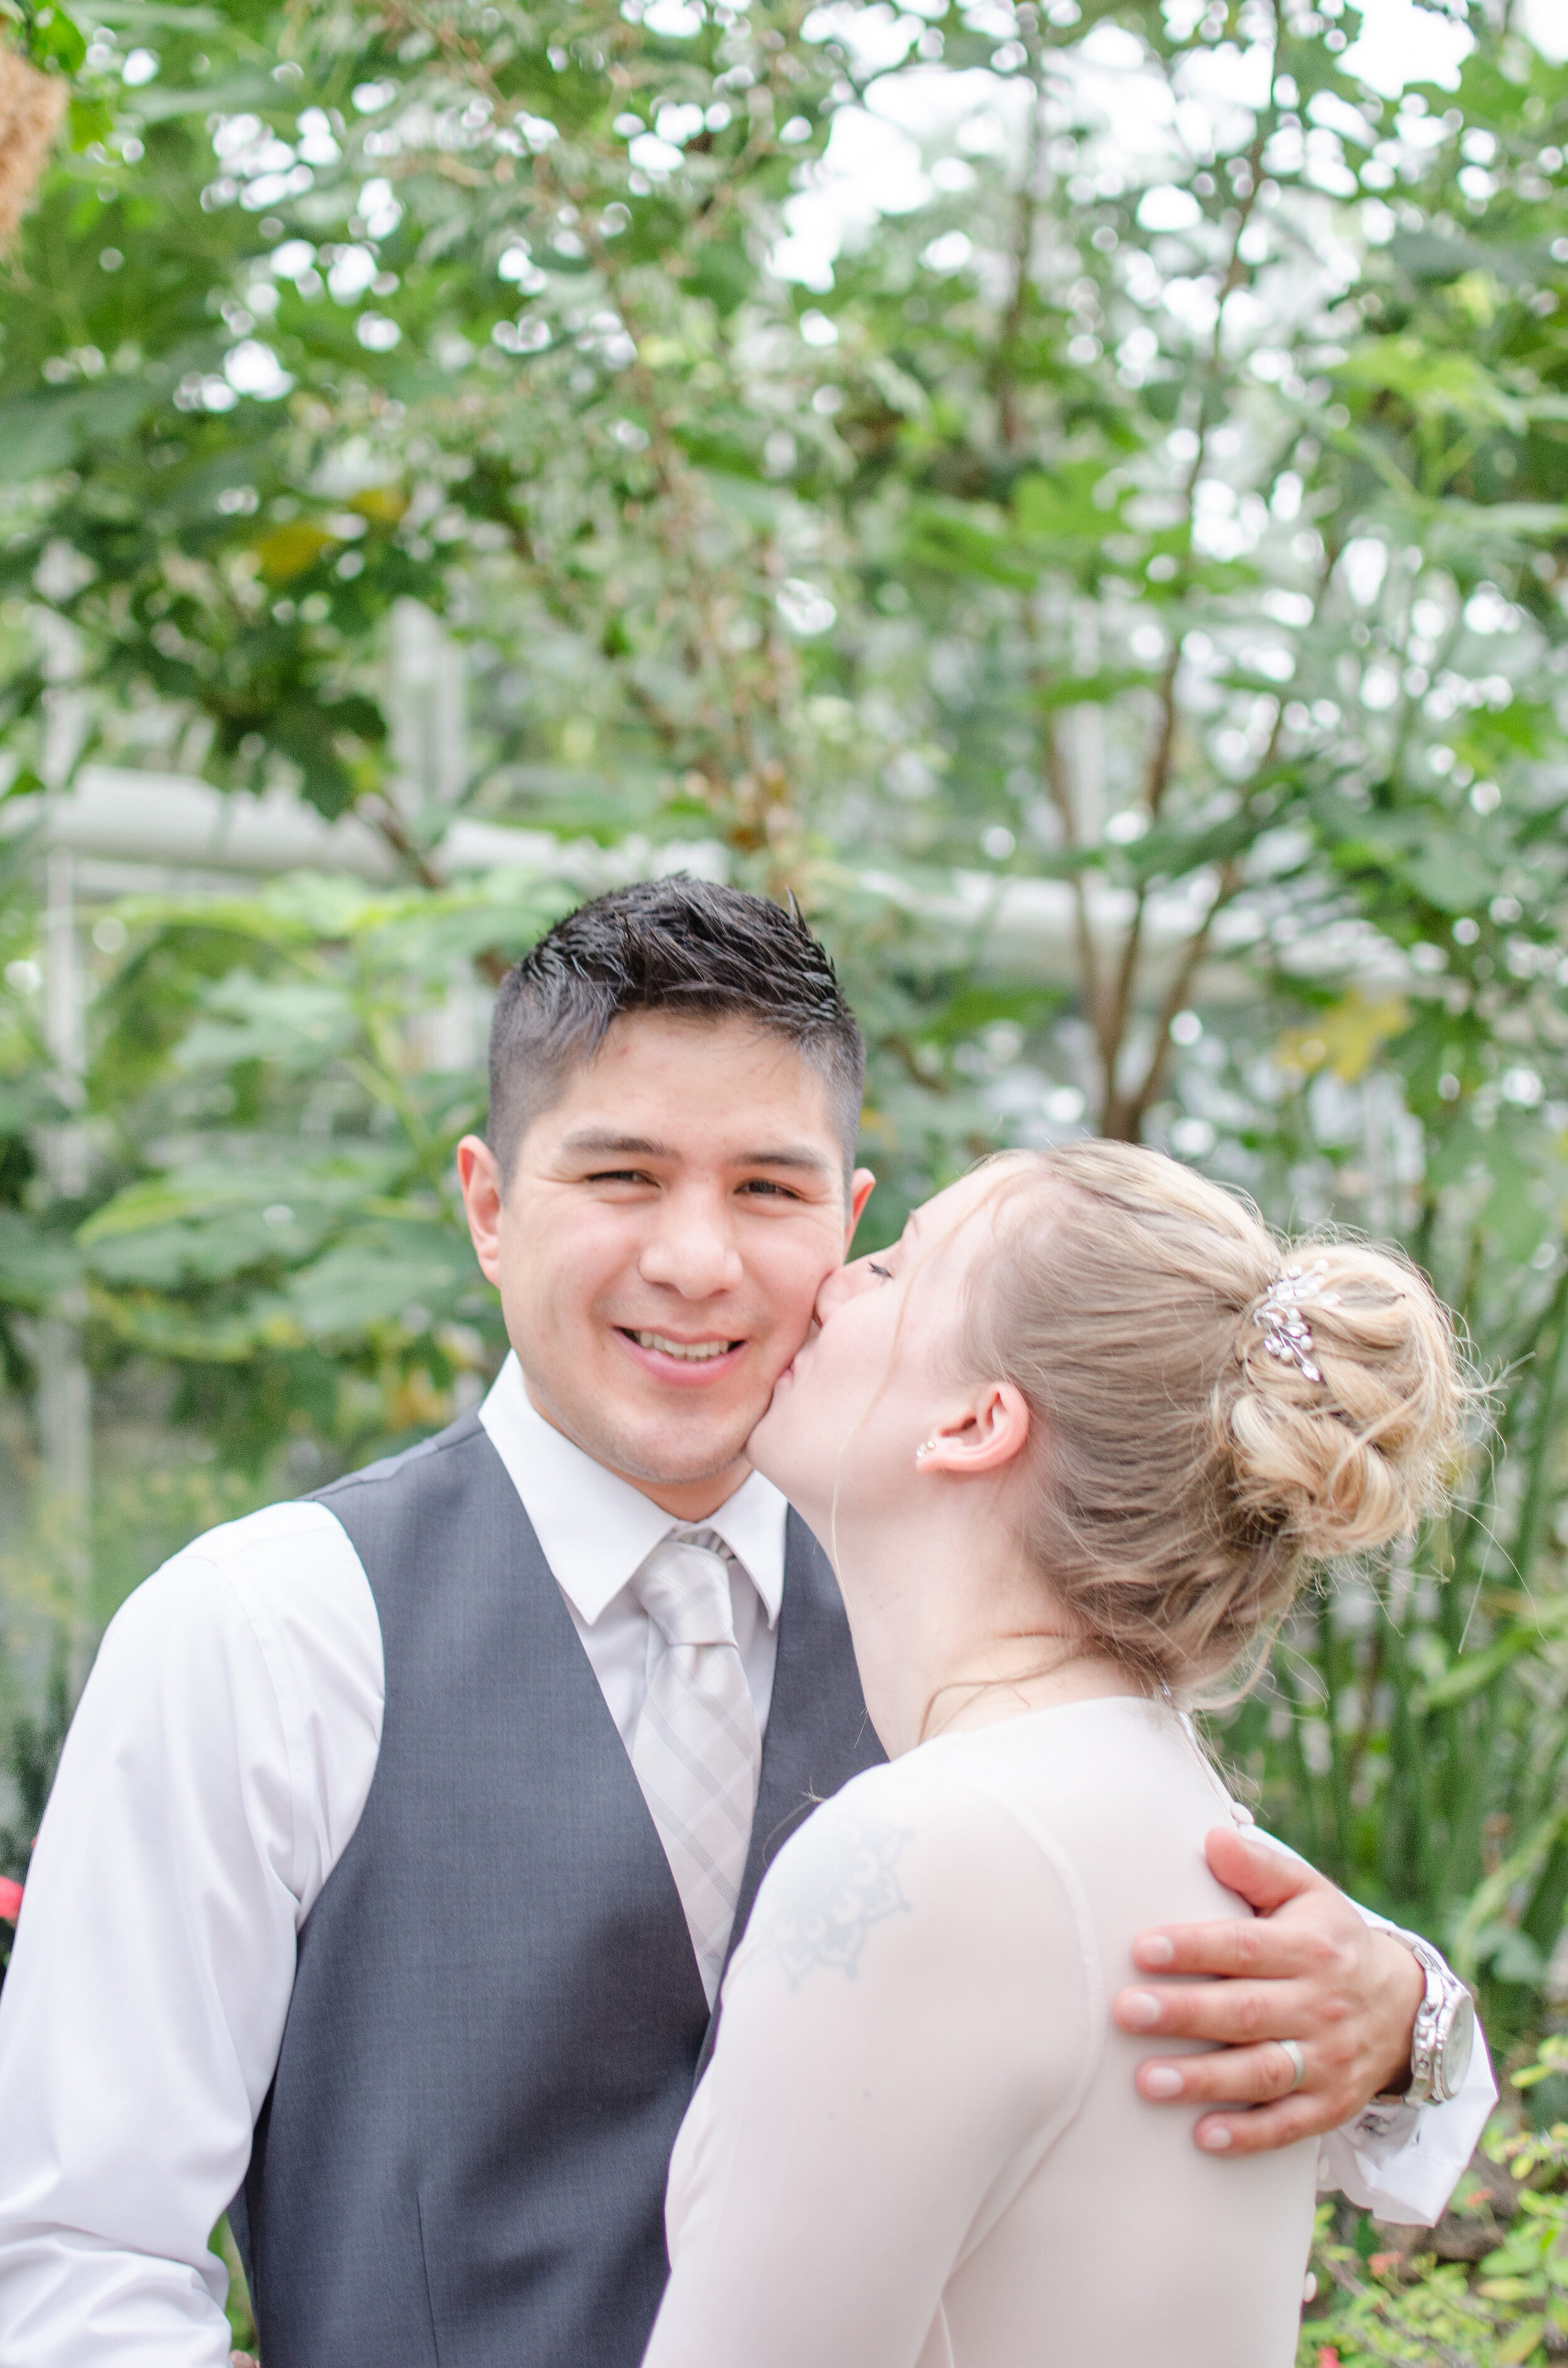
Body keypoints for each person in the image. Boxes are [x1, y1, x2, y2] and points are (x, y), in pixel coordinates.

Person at [0, 884, 1490, 2368]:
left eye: (768, 1190)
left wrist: (1402, 2017)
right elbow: (72, 2261)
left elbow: (1174, 1960)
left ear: (846, 1228)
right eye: (622, 1177)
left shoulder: (993, 1620)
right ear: (489, 1206)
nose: (698, 1261)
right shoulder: (263, 1630)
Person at [645, 1144, 1482, 2368]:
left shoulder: (925, 1854)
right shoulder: (1186, 1817)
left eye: (894, 1263)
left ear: (975, 1422)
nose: (829, 1284)